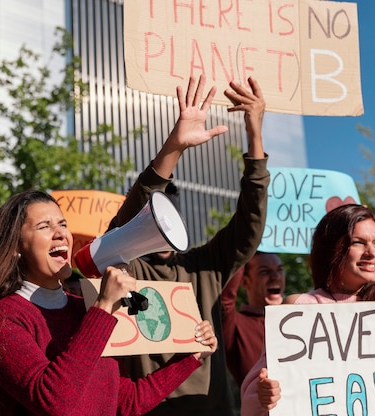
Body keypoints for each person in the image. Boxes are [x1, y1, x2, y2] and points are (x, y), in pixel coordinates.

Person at [0, 189, 218, 416]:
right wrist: (103, 307)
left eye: (62, 224)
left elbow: (126, 401)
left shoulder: (82, 309)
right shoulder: (5, 317)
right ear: (15, 247)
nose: (60, 233)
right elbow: (54, 401)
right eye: (44, 226)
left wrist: (191, 356)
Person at [107, 74, 269, 415]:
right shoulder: (126, 268)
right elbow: (117, 232)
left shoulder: (204, 267)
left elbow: (249, 225)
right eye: (153, 212)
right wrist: (174, 147)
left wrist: (254, 134)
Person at [241, 204, 375, 415]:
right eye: (358, 242)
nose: (371, 253)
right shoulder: (299, 309)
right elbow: (256, 396)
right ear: (332, 249)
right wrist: (266, 394)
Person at [221, 252, 285, 387]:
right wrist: (245, 248)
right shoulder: (235, 325)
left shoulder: (298, 321)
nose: (276, 276)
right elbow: (225, 300)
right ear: (244, 281)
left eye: (280, 270)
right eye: (264, 272)